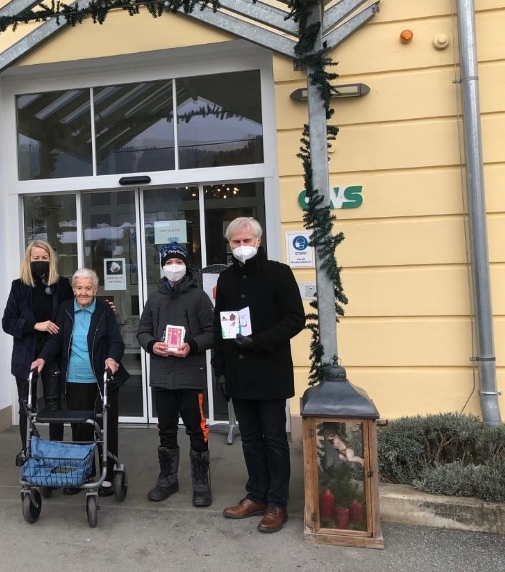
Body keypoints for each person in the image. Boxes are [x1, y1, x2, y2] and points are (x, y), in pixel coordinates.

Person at [212, 217, 306, 533]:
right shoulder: (226, 279)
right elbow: (219, 326)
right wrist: (220, 370)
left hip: (270, 371)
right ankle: (256, 496)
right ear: (229, 245)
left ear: (258, 241)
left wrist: (260, 341)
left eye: (246, 241)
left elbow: (295, 319)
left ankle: (278, 503)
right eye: (235, 242)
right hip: (238, 373)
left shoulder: (279, 274)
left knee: (275, 440)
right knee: (250, 439)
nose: (241, 247)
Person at [30, 268, 128, 496]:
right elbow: (56, 341)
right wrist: (42, 358)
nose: (84, 292)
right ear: (73, 289)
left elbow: (116, 341)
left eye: (88, 288)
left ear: (96, 289)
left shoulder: (104, 310)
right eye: (79, 287)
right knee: (81, 429)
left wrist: (112, 358)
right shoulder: (65, 309)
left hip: (102, 379)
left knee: (106, 428)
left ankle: (108, 476)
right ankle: (85, 473)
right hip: (75, 378)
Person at [137, 242, 215, 507]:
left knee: (197, 430)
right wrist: (151, 344)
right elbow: (143, 330)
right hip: (162, 376)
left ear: (186, 265)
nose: (174, 267)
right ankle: (168, 478)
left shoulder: (199, 297)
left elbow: (212, 332)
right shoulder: (154, 298)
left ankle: (201, 482)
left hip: (190, 375)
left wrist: (191, 345)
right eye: (169, 263)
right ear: (162, 266)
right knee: (166, 430)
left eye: (178, 262)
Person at [1, 240, 73, 463]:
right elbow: (7, 322)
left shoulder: (62, 285)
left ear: (51, 260)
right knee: (26, 405)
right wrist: (35, 325)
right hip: (26, 354)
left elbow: (71, 315)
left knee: (54, 404)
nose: (40, 261)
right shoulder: (19, 286)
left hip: (53, 353)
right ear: (28, 260)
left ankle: (55, 451)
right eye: (36, 258)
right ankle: (28, 450)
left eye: (44, 258)